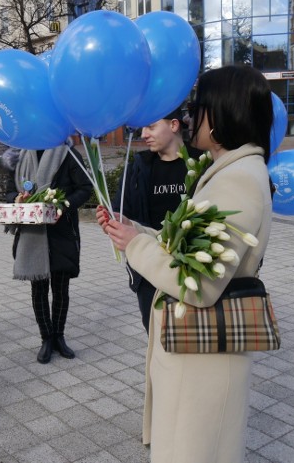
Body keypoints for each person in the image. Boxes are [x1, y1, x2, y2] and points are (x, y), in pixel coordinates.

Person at [99, 65, 273, 462]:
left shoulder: (238, 179)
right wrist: (136, 231)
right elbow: (187, 247)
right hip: (198, 355)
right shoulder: (230, 169)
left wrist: (135, 248)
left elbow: (200, 283)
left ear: (225, 112)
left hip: (204, 359)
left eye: (202, 105)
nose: (194, 115)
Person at [104, 107, 201, 334]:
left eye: (151, 126)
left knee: (194, 338)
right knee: (156, 336)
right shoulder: (139, 167)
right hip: (148, 270)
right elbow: (122, 211)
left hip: (193, 269)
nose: (144, 134)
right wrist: (115, 220)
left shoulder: (201, 163)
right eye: (142, 128)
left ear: (174, 125)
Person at [3, 142, 92, 364]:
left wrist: (63, 205)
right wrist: (17, 198)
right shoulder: (20, 155)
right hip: (32, 235)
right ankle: (46, 338)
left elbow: (85, 188)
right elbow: (9, 191)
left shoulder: (67, 153)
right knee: (39, 288)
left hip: (61, 232)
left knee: (61, 289)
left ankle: (59, 337)